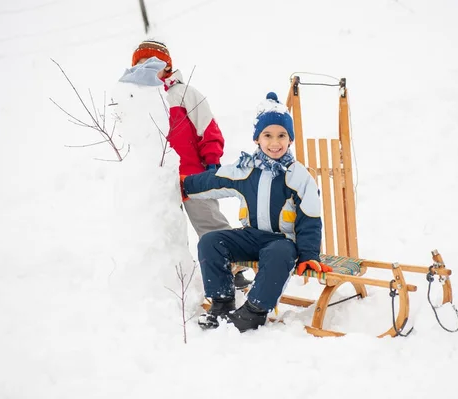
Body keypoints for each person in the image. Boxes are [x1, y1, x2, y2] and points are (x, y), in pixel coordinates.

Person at [181, 92, 333, 333]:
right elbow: (214, 180)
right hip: (251, 236)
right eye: (268, 135)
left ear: (290, 140)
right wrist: (183, 185)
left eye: (282, 135)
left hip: (282, 241)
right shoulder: (246, 170)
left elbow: (310, 219)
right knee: (211, 241)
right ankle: (221, 302)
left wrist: (308, 254)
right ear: (257, 139)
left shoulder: (298, 175)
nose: (275, 142)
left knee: (278, 253)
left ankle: (254, 311)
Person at [124, 39, 251, 288]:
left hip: (192, 177)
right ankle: (176, 280)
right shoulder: (138, 101)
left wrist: (212, 163)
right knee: (165, 233)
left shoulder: (184, 94)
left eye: (152, 63)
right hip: (158, 182)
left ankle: (234, 268)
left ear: (166, 67)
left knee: (210, 224)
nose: (146, 68)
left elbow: (209, 130)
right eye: (140, 64)